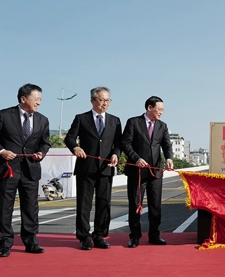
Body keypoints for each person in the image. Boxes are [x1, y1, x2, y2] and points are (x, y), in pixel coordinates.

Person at [64, 87, 122, 250]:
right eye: (102, 100)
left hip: (106, 168)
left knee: (104, 204)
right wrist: (75, 148)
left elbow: (118, 143)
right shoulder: (81, 118)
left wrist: (116, 154)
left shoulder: (115, 120)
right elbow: (69, 138)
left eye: (108, 100)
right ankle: (84, 237)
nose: (105, 103)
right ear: (92, 101)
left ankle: (99, 235)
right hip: (86, 168)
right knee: (84, 204)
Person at [0, 84, 51, 257]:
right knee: (4, 207)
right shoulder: (4, 115)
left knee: (30, 207)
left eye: (40, 99)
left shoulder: (43, 120)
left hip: (30, 169)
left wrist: (41, 153)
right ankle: (4, 243)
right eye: (36, 99)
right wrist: (1, 151)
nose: (39, 103)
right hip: (7, 169)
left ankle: (31, 241)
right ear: (23, 99)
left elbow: (45, 143)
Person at [122, 96, 174, 248]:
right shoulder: (133, 122)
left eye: (163, 110)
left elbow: (167, 145)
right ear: (149, 108)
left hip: (155, 173)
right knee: (135, 205)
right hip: (136, 172)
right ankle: (135, 236)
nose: (161, 113)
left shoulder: (162, 126)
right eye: (159, 109)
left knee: (155, 205)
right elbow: (126, 143)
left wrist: (169, 158)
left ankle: (154, 235)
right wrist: (136, 158)